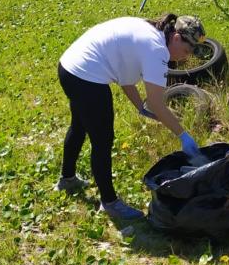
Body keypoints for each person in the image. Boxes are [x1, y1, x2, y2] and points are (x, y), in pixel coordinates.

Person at [54, 13, 207, 221]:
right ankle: (109, 203)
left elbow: (125, 77)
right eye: (186, 51)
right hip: (86, 76)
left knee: (80, 125)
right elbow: (156, 102)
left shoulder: (151, 31)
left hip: (70, 66)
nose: (186, 58)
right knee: (102, 140)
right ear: (177, 38)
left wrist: (140, 107)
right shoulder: (157, 49)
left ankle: (67, 179)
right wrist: (183, 135)